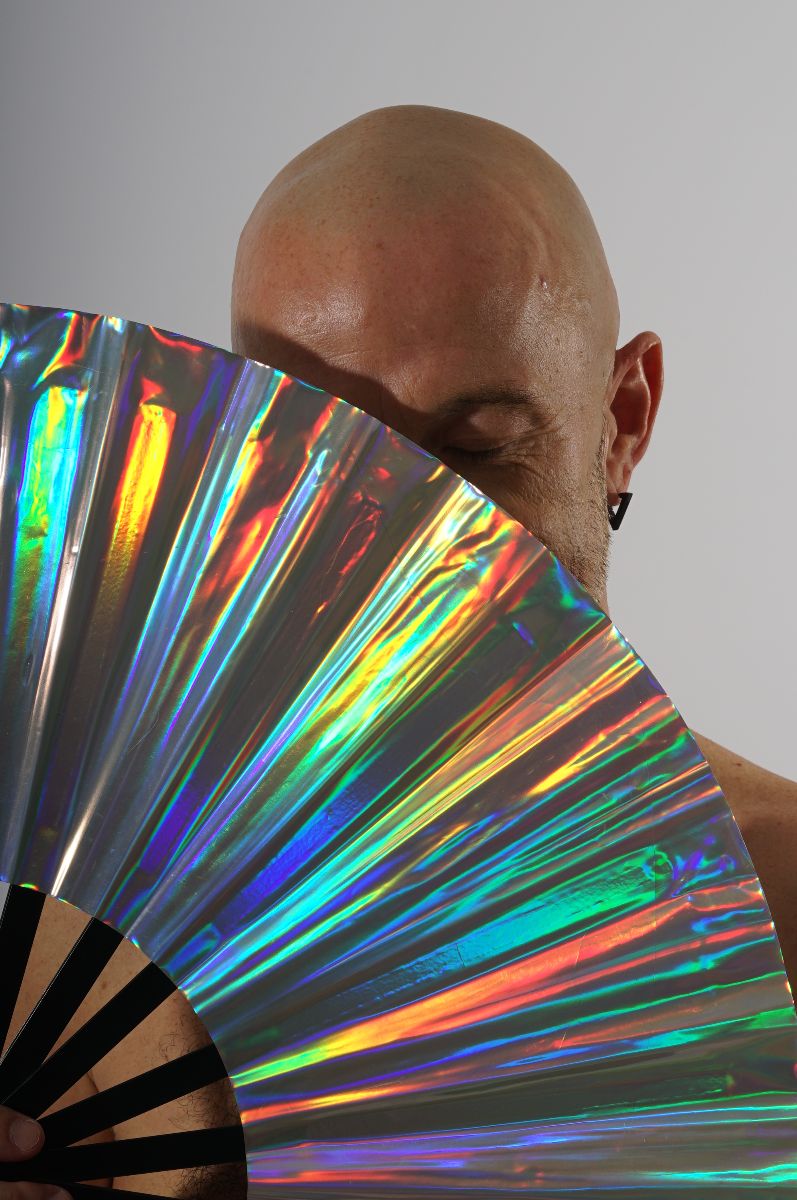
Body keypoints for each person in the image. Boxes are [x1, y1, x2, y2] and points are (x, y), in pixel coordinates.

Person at [2, 101, 795, 1200]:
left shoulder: (772, 906)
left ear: (622, 420)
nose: (403, 534)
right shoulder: (62, 861)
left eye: (474, 449)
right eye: (323, 451)